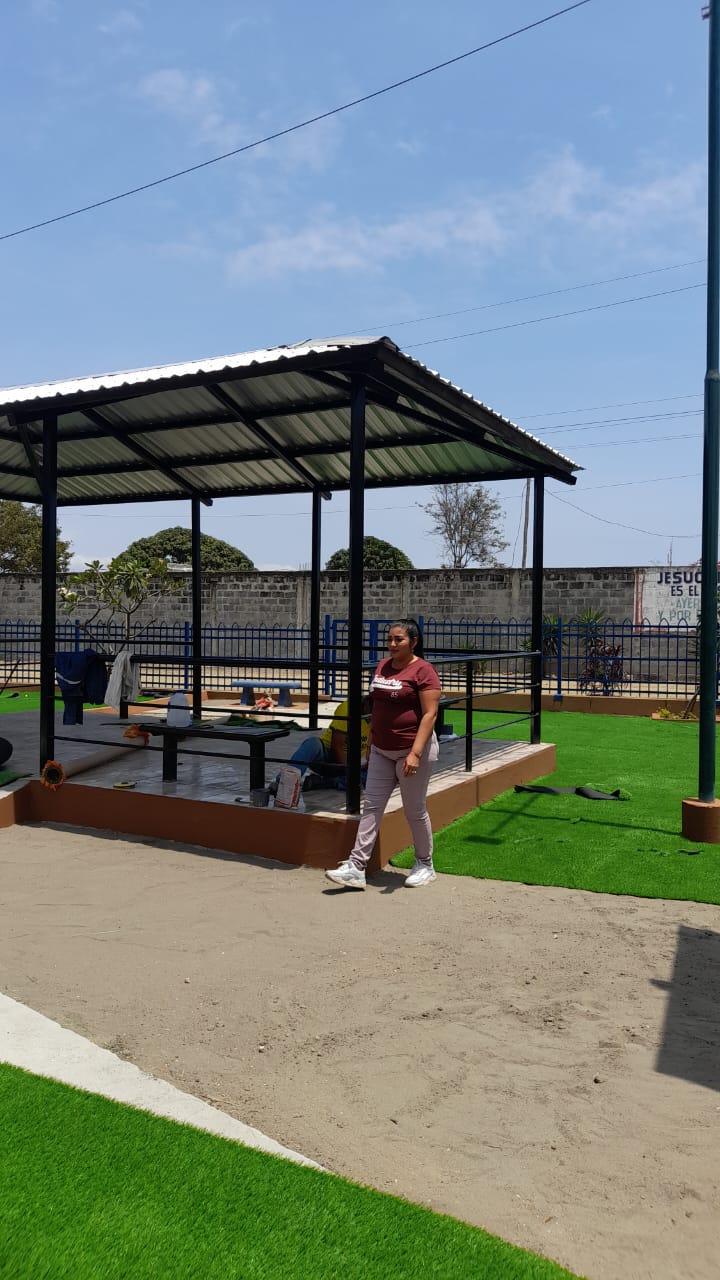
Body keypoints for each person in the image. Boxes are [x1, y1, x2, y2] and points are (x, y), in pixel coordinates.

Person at [325, 618, 441, 890]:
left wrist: (415, 753)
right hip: (381, 751)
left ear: (413, 642)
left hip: (412, 752)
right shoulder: (383, 666)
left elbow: (430, 714)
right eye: (390, 639)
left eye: (399, 639)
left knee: (414, 810)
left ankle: (425, 864)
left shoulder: (424, 671)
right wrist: (371, 745)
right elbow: (376, 707)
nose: (392, 644)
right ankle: (356, 867)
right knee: (372, 807)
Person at [281, 698, 370, 790]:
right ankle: (283, 782)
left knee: (374, 776)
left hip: (351, 763)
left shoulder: (377, 716)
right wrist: (350, 774)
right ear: (367, 703)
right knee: (312, 744)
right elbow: (337, 747)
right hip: (328, 757)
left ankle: (327, 782)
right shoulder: (348, 708)